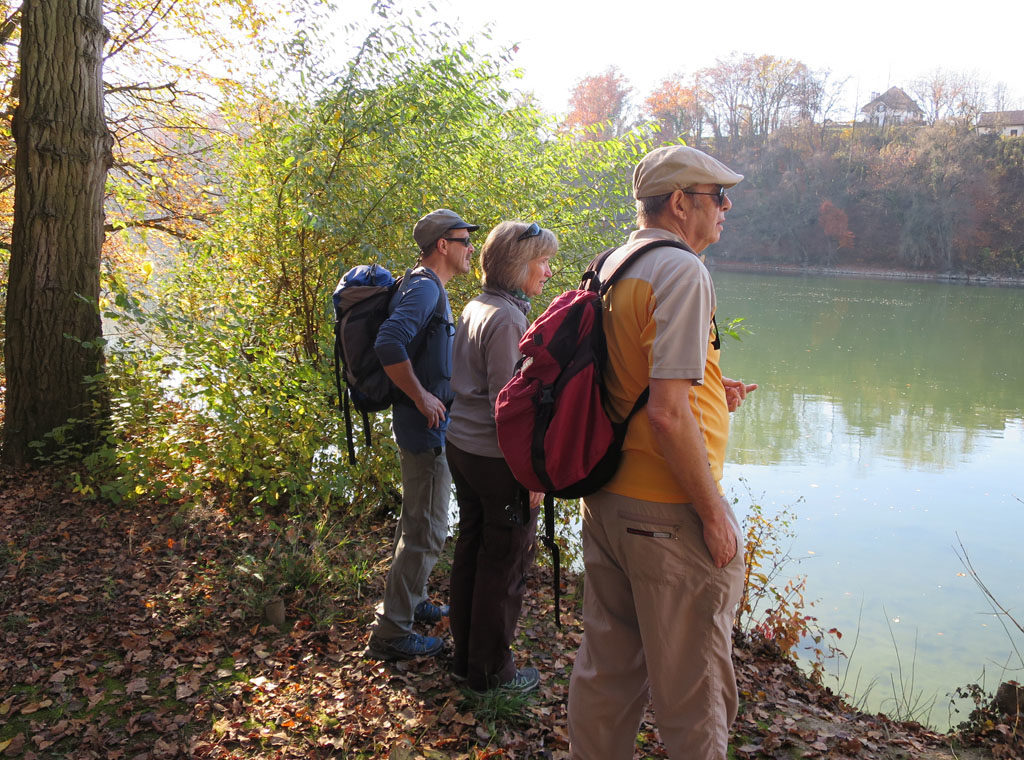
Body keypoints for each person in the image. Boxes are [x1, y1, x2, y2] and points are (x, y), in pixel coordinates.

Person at [567, 146, 758, 759]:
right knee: (694, 694)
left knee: (608, 673)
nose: (726, 208)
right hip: (667, 513)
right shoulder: (681, 271)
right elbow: (668, 414)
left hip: (608, 501)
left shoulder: (617, 263)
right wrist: (712, 515)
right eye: (717, 196)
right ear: (681, 203)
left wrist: (710, 384)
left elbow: (631, 374)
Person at [445, 220, 557, 693]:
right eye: (543, 262)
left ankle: (465, 660)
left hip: (464, 449)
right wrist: (531, 472)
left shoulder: (478, 304)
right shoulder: (508, 317)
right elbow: (506, 406)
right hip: (494, 460)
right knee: (504, 564)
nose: (549, 272)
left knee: (472, 551)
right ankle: (490, 675)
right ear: (518, 266)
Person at [366, 208, 478, 661]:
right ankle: (393, 633)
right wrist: (421, 397)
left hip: (425, 425)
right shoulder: (424, 287)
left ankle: (409, 604)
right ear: (443, 246)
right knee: (427, 532)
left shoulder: (423, 285)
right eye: (464, 240)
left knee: (417, 522)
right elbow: (389, 342)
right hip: (425, 428)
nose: (472, 248)